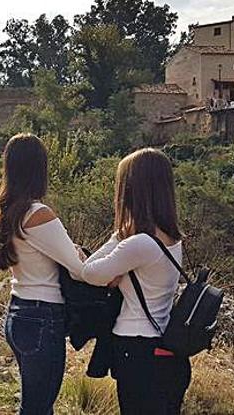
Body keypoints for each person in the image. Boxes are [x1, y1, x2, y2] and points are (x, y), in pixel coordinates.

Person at [82, 148, 191, 415]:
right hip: (165, 346)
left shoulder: (139, 243)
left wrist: (120, 237)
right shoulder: (171, 238)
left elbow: (89, 273)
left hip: (136, 348)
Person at [0, 134, 85, 415]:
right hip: (43, 317)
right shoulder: (38, 213)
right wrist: (78, 253)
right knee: (38, 407)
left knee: (34, 404)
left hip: (18, 311)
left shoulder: (10, 212)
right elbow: (78, 270)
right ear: (39, 168)